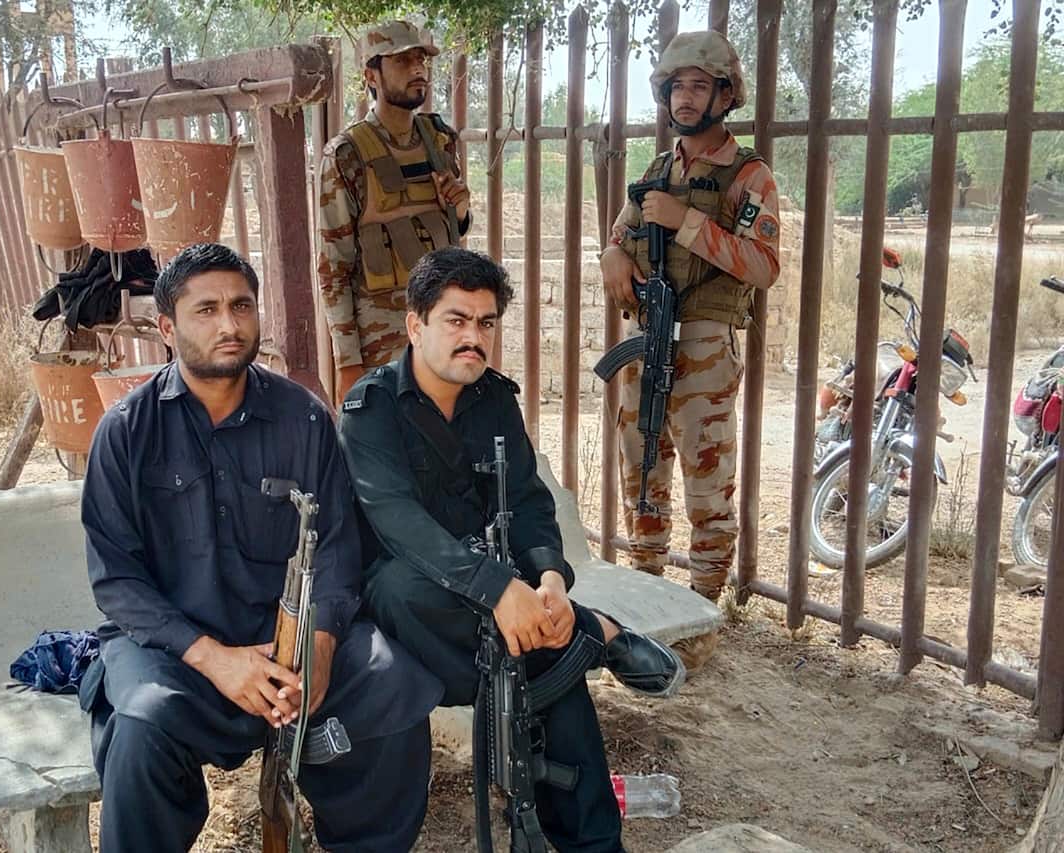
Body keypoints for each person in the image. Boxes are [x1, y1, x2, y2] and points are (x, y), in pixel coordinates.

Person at [79, 243, 442, 853]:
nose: (229, 324)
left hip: (290, 642)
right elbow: (117, 579)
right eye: (207, 310)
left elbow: (334, 549)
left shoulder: (303, 417)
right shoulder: (127, 431)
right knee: (140, 724)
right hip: (179, 651)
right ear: (167, 328)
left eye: (242, 306)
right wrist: (215, 659)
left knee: (394, 685)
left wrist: (319, 649)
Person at [338, 246, 684, 853]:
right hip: (418, 605)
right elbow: (400, 525)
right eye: (456, 320)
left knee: (548, 663)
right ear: (415, 325)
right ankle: (592, 632)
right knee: (408, 589)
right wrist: (501, 591)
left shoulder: (495, 398)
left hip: (499, 600)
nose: (474, 337)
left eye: (486, 323)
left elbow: (526, 499)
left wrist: (550, 578)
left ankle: (595, 843)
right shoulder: (370, 411)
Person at [600, 31, 782, 602]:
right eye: (676, 86)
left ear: (724, 96)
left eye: (698, 86)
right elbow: (620, 234)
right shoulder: (658, 169)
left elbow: (763, 265)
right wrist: (610, 255)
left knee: (707, 486)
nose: (685, 97)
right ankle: (646, 596)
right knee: (642, 472)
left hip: (705, 345)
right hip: (646, 338)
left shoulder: (747, 176)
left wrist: (687, 222)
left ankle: (702, 607)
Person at [318, 19, 473, 403]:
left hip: (443, 329)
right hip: (380, 342)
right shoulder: (346, 155)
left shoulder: (440, 140)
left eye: (421, 58)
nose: (418, 68)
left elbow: (452, 232)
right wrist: (347, 360)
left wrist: (462, 209)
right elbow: (332, 266)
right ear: (372, 74)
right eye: (402, 60)